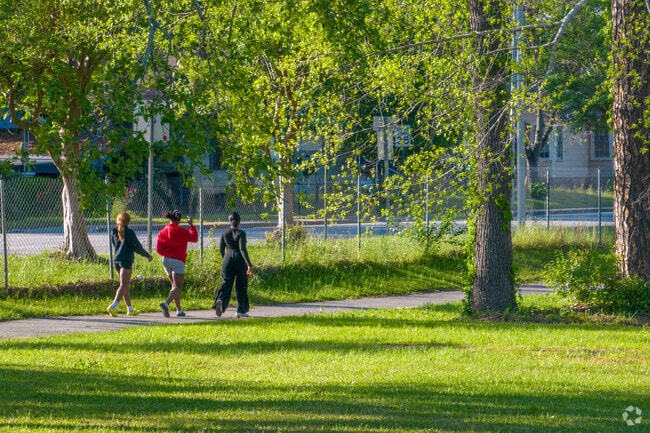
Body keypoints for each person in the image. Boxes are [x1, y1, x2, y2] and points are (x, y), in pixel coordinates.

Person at [107, 211, 153, 317]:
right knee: (123, 285)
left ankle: (130, 309)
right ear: (128, 221)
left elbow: (114, 244)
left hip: (116, 260)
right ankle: (113, 306)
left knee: (124, 285)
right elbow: (137, 247)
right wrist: (147, 256)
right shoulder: (129, 232)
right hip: (126, 261)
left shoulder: (113, 231)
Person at [156, 210, 199, 317]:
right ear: (179, 220)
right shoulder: (182, 231)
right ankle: (165, 304)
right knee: (178, 286)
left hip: (166, 259)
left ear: (169, 218)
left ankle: (179, 310)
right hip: (178, 260)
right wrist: (191, 225)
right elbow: (194, 238)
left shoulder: (162, 232)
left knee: (174, 287)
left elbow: (158, 249)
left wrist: (166, 254)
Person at [213, 211, 253, 318]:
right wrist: (249, 264)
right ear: (239, 222)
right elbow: (242, 249)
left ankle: (221, 301)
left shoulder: (225, 232)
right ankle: (241, 310)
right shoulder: (241, 233)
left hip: (227, 258)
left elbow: (221, 248)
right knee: (241, 285)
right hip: (239, 260)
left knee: (226, 282)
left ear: (229, 221)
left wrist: (225, 259)